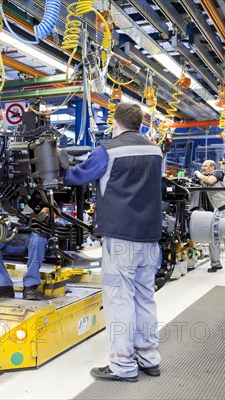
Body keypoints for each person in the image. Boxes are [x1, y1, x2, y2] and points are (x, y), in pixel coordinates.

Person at [64, 103, 163, 382]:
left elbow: (77, 176)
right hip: (150, 237)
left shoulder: (108, 149)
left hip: (121, 237)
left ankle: (123, 366)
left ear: (115, 122)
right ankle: (149, 358)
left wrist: (58, 162)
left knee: (119, 301)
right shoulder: (155, 150)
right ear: (141, 123)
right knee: (145, 298)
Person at [0, 207, 50, 301]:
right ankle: (3, 286)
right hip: (12, 233)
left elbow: (47, 211)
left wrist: (39, 215)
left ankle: (30, 286)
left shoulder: (38, 197)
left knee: (38, 237)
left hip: (32, 235)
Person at [194, 160, 225, 273]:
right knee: (212, 238)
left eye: (205, 166)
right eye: (202, 166)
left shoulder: (218, 173)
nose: (203, 168)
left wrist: (199, 175)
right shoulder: (205, 177)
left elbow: (210, 181)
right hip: (213, 212)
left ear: (212, 167)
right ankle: (216, 264)